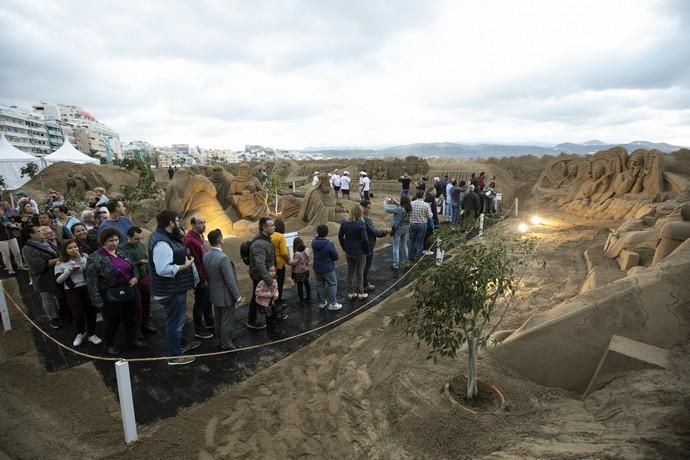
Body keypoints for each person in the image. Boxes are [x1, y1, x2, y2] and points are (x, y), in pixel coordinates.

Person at [149, 210, 200, 366]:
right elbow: (163, 269)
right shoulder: (162, 242)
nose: (179, 224)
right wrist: (184, 266)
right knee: (175, 322)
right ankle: (174, 355)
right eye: (177, 221)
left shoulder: (166, 237)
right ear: (170, 223)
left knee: (178, 319)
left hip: (175, 287)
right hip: (170, 290)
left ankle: (182, 344)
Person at [86, 228, 147, 355]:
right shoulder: (95, 258)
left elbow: (133, 266)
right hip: (110, 294)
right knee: (111, 320)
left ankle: (132, 339)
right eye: (110, 240)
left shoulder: (122, 252)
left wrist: (135, 277)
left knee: (132, 317)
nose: (114, 243)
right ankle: (109, 345)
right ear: (103, 241)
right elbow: (91, 282)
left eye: (116, 240)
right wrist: (96, 300)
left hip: (130, 290)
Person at [55, 239, 101, 347]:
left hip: (86, 288)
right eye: (70, 248)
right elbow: (58, 280)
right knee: (78, 314)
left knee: (91, 312)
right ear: (65, 250)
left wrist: (80, 259)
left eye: (75, 247)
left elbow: (90, 270)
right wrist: (68, 271)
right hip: (71, 290)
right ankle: (80, 333)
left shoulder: (84, 258)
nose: (74, 250)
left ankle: (92, 334)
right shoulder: (60, 262)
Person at [203, 229, 241, 351]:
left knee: (218, 319)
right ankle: (226, 343)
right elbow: (230, 280)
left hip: (214, 293)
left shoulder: (206, 255)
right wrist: (237, 296)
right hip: (225, 295)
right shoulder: (223, 258)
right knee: (227, 321)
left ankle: (220, 339)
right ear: (219, 239)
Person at [119, 226, 157, 335]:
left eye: (140, 238)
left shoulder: (140, 245)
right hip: (132, 280)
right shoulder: (122, 248)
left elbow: (146, 257)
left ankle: (145, 325)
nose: (138, 241)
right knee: (136, 306)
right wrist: (139, 262)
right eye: (136, 239)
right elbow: (124, 266)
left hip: (144, 277)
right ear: (128, 237)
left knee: (146, 303)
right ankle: (136, 330)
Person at [22, 225, 61, 328]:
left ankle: (60, 313)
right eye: (39, 231)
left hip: (54, 273)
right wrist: (58, 260)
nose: (42, 233)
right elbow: (37, 266)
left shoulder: (45, 242)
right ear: (31, 235)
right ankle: (53, 318)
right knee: (47, 298)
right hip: (42, 277)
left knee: (56, 296)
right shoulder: (27, 249)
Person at [183, 215, 214, 339]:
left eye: (204, 222)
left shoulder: (200, 236)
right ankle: (199, 329)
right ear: (193, 225)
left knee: (207, 300)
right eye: (200, 223)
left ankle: (209, 321)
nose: (203, 225)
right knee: (200, 303)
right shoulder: (190, 240)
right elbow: (195, 262)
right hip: (199, 277)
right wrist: (202, 279)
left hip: (205, 274)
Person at [248, 217, 281, 330]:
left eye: (274, 225)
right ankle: (265, 322)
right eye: (271, 225)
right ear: (264, 227)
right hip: (261, 276)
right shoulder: (259, 244)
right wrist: (269, 279)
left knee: (257, 296)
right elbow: (259, 264)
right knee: (260, 296)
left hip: (265, 275)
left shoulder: (266, 239)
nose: (274, 227)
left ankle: (257, 319)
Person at [338, 204, 369, 300]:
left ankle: (350, 292)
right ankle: (360, 293)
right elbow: (364, 239)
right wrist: (367, 250)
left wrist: (344, 247)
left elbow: (340, 236)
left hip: (349, 251)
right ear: (360, 213)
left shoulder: (344, 222)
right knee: (360, 273)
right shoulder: (361, 224)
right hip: (359, 252)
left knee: (350, 272)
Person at [361, 199, 388, 291]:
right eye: (368, 208)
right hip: (367, 245)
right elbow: (374, 231)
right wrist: (385, 232)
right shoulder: (366, 219)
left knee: (360, 266)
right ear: (364, 208)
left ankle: (360, 283)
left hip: (360, 245)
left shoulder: (356, 217)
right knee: (366, 265)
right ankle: (364, 284)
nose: (369, 210)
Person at [311, 224, 341, 310]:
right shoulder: (328, 244)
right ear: (327, 233)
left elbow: (316, 237)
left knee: (320, 284)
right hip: (327, 268)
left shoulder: (314, 242)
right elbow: (335, 256)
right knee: (332, 284)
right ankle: (332, 303)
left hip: (317, 267)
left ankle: (322, 302)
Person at [384, 195, 411, 270]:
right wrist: (395, 201)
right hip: (406, 228)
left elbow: (386, 209)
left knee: (396, 247)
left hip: (398, 229)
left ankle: (395, 265)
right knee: (404, 245)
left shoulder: (399, 209)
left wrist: (385, 202)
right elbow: (401, 206)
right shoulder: (409, 208)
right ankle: (406, 263)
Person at [0, 204, 27, 274]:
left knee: (17, 252)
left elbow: (10, 225)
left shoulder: (5, 217)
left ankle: (20, 266)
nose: (1, 211)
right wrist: (4, 225)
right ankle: (10, 269)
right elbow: (5, 225)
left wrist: (15, 226)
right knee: (6, 255)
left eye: (1, 210)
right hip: (2, 239)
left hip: (11, 236)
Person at [254, 266, 280, 336]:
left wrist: (276, 295)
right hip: (264, 302)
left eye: (274, 271)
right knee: (269, 316)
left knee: (273, 315)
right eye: (270, 271)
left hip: (271, 301)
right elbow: (257, 292)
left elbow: (276, 289)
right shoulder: (262, 282)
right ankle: (270, 330)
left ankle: (273, 328)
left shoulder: (274, 280)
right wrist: (268, 294)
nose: (272, 273)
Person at [409, 191, 432, 261]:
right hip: (422, 224)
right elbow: (430, 216)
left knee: (412, 241)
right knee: (420, 241)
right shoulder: (426, 205)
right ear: (423, 196)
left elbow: (408, 213)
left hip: (412, 224)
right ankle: (418, 257)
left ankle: (411, 256)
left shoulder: (411, 203)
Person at [270, 218, 289, 307]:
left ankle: (273, 299)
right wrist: (288, 260)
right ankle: (278, 300)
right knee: (279, 283)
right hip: (280, 264)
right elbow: (284, 252)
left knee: (273, 283)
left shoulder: (270, 235)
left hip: (271, 263)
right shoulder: (281, 237)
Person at [287, 237, 311, 303]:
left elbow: (294, 262)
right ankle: (309, 297)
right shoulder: (306, 250)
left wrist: (287, 261)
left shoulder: (297, 253)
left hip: (299, 272)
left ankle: (301, 300)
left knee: (299, 286)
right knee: (307, 284)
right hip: (306, 270)